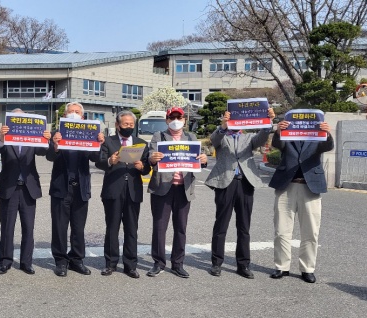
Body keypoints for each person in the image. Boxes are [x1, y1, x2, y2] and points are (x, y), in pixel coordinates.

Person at [205, 108, 275, 279]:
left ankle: (243, 264)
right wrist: (223, 126)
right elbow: (214, 140)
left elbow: (262, 137)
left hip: (245, 183)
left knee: (244, 226)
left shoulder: (249, 137)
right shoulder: (222, 135)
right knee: (221, 225)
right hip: (225, 183)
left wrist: (268, 121)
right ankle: (216, 263)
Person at [268, 119, 333, 283]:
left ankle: (307, 268)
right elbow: (278, 145)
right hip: (286, 186)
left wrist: (327, 133)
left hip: (310, 187)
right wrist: (278, 132)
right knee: (281, 230)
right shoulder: (288, 132)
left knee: (311, 231)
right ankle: (282, 266)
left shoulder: (317, 134)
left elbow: (327, 146)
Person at [146, 107, 208, 278]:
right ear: (167, 120)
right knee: (160, 227)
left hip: (184, 189)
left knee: (181, 227)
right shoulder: (159, 136)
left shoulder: (191, 138)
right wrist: (153, 158)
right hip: (162, 188)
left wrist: (203, 160)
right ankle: (158, 263)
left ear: (184, 120)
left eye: (179, 117)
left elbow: (200, 159)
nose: (175, 119)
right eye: (172, 117)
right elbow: (150, 156)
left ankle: (177, 263)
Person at [47, 102, 105, 277]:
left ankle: (77, 260)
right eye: (70, 111)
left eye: (77, 112)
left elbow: (97, 158)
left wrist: (99, 143)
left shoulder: (89, 133)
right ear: (64, 116)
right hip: (60, 187)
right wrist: (55, 145)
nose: (73, 114)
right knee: (59, 227)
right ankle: (60, 261)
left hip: (81, 187)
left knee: (78, 228)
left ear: (82, 117)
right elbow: (49, 156)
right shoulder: (56, 133)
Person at [95, 110, 150, 278]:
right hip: (113, 190)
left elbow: (147, 167)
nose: (128, 127)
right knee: (112, 228)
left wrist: (143, 168)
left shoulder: (141, 143)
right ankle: (110, 263)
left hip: (133, 190)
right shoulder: (108, 142)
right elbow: (99, 162)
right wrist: (110, 161)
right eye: (125, 124)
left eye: (131, 125)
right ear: (118, 125)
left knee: (131, 228)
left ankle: (130, 265)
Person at [0, 108, 51, 275]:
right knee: (7, 227)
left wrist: (45, 140)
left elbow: (42, 151)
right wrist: (1, 136)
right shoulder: (6, 136)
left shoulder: (32, 137)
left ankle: (26, 262)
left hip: (28, 188)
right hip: (8, 187)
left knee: (28, 227)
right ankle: (5, 261)